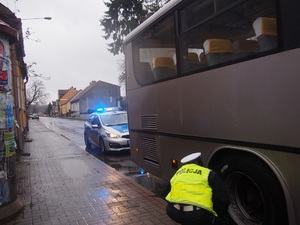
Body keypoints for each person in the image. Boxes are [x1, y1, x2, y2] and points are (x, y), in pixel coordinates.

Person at [165, 152, 230, 225]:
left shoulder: (178, 173)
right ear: (200, 162)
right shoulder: (209, 174)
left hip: (173, 212)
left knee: (186, 218)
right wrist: (217, 214)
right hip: (197, 216)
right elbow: (223, 200)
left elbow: (167, 191)